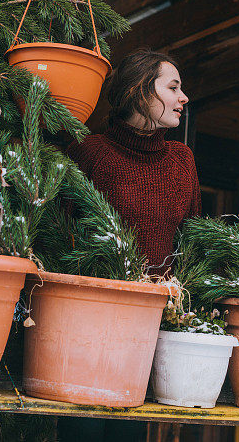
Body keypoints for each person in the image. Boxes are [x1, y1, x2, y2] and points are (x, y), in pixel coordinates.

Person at [67, 48, 201, 277]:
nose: (184, 97)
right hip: (95, 301)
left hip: (164, 306)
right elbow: (60, 235)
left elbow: (193, 243)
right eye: (173, 87)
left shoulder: (182, 159)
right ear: (139, 91)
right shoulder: (90, 151)